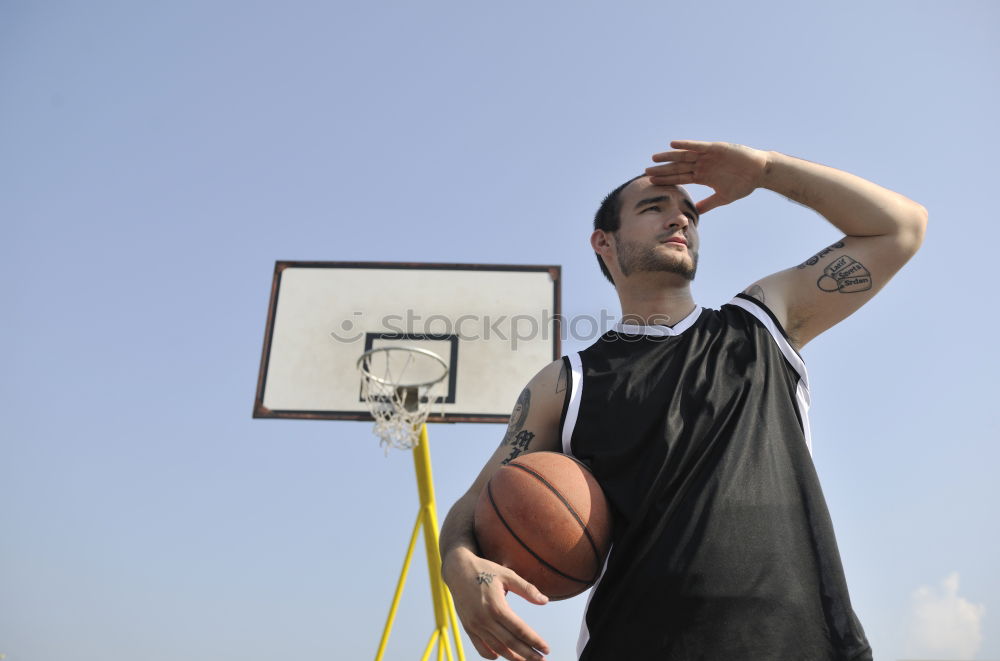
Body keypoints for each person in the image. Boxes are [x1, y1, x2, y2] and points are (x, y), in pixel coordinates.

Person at [438, 140, 927, 660]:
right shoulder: (567, 382)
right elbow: (475, 503)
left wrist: (766, 171)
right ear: (603, 242)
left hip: (804, 643)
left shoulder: (760, 324)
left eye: (690, 213)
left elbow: (901, 228)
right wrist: (458, 564)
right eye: (654, 208)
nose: (680, 221)